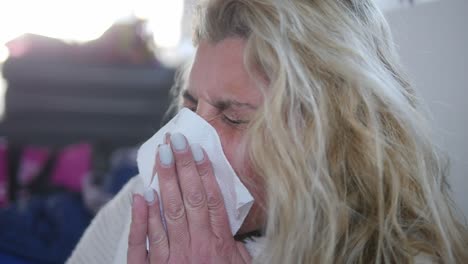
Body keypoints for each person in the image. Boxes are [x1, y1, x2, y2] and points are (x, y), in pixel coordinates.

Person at [67, 0, 468, 263]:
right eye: (190, 105)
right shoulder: (148, 198)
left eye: (234, 116)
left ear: (329, 135)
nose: (185, 139)